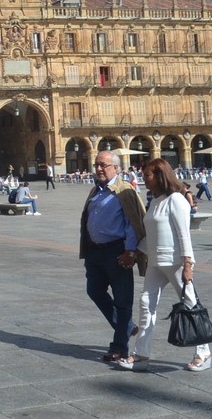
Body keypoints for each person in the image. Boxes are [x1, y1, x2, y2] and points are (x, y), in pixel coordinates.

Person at [118, 158, 212, 372]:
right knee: (145, 304)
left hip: (176, 261)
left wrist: (188, 264)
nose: (144, 180)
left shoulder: (177, 200)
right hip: (155, 262)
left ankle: (204, 352)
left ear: (161, 176)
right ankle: (141, 353)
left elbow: (183, 234)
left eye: (148, 176)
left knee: (190, 304)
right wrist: (134, 253)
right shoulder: (155, 201)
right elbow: (152, 236)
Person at [79, 150, 147, 364]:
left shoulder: (124, 191)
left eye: (103, 165)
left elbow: (133, 224)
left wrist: (130, 252)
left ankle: (120, 347)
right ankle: (126, 327)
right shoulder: (96, 191)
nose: (98, 168)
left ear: (116, 168)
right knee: (94, 290)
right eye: (97, 164)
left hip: (117, 251)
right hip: (95, 252)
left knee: (122, 301)